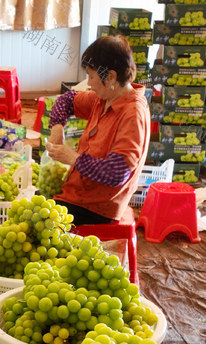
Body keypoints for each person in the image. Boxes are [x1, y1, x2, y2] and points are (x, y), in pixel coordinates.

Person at [44, 35, 150, 226]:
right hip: (77, 192)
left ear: (110, 77)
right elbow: (66, 100)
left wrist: (73, 158)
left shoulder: (132, 114)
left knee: (36, 226)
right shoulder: (104, 99)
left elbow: (117, 173)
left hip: (96, 208)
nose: (89, 83)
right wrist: (57, 129)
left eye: (91, 76)